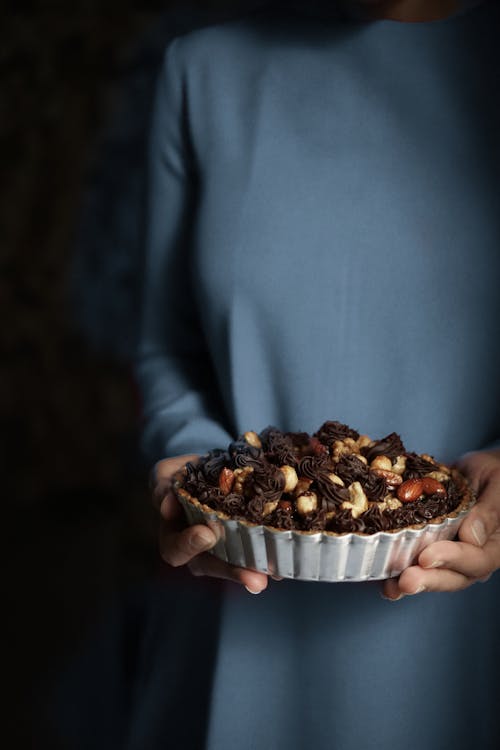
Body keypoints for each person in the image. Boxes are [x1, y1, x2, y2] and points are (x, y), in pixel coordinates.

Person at [137, 0, 500, 747]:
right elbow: (165, 345)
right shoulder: (200, 71)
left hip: (467, 635)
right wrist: (198, 472)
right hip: (231, 617)